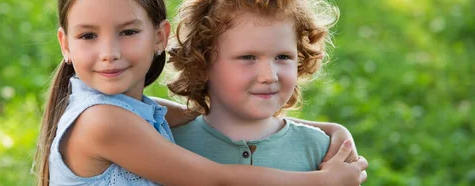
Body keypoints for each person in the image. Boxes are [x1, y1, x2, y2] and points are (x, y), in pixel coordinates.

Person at [34, 0, 367, 185]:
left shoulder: (135, 111)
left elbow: (201, 113)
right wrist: (322, 183)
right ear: (65, 44)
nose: (109, 52)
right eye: (88, 36)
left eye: (128, 32)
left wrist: (333, 132)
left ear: (160, 37)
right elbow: (215, 180)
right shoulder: (103, 122)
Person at [168, 0, 350, 171]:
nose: (269, 76)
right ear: (201, 64)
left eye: (283, 57)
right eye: (248, 57)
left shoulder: (322, 150)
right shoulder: (167, 145)